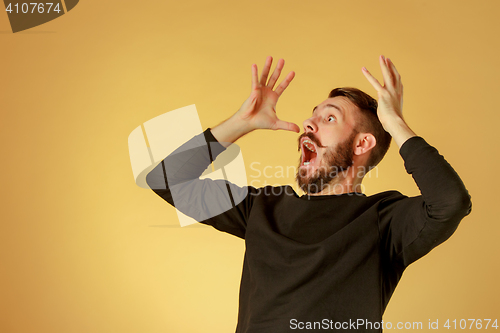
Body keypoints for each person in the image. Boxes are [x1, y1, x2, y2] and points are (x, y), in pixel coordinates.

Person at [145, 55, 472, 332]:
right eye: (313, 115)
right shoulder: (262, 207)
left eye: (329, 117)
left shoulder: (384, 221)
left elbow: (450, 202)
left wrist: (394, 123)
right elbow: (167, 179)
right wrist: (240, 122)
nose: (308, 123)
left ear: (362, 144)